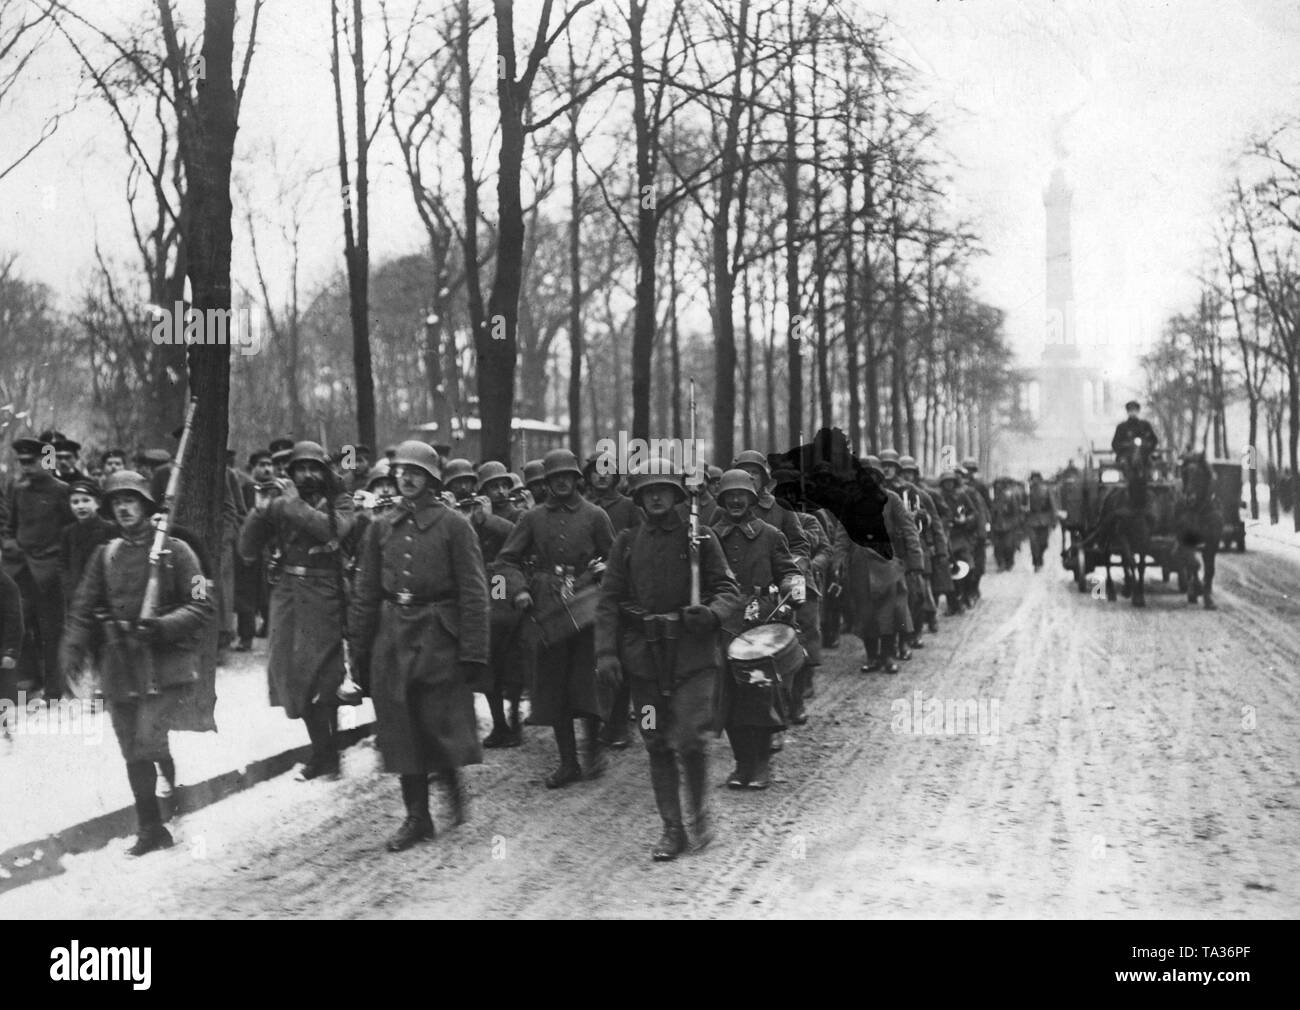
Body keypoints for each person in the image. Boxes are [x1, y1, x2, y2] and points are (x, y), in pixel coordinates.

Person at [59, 470, 212, 856]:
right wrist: (71, 651)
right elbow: (81, 607)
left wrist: (161, 626)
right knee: (131, 746)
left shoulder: (177, 551)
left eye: (130, 500)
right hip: (119, 663)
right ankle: (152, 826)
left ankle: (168, 797)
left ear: (145, 505)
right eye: (116, 502)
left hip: (162, 664)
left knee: (146, 738)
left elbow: (201, 604)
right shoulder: (105, 554)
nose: (123, 508)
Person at [595, 459, 739, 860]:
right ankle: (671, 829)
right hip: (643, 661)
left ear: (677, 495)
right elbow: (608, 602)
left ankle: (699, 814)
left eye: (663, 489)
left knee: (691, 739)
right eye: (647, 490)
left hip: (692, 658)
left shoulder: (701, 537)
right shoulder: (625, 543)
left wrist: (711, 613)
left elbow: (729, 589)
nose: (656, 496)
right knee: (656, 741)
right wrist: (606, 652)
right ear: (638, 497)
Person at [349, 440, 489, 852]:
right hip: (392, 635)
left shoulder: (455, 526)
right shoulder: (380, 527)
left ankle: (449, 778)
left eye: (416, 473)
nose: (407, 479)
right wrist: (358, 650)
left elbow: (475, 592)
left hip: (438, 634)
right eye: (401, 473)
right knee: (400, 726)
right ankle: (417, 817)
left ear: (431, 479)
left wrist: (474, 652)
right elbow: (365, 591)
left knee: (435, 722)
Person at [496, 448, 615, 788]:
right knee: (553, 685)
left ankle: (593, 748)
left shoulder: (595, 515)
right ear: (545, 483)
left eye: (568, 476)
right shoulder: (532, 518)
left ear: (578, 479)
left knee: (586, 678)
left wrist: (604, 570)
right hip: (547, 606)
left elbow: (616, 556)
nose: (562, 482)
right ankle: (568, 762)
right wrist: (518, 590)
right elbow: (505, 562)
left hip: (586, 601)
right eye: (554, 478)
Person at [238, 441, 354, 781]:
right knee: (290, 675)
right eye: (300, 468)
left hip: (326, 594)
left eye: (313, 467)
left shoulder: (340, 501)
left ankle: (326, 754)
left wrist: (288, 503)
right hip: (287, 596)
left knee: (325, 677)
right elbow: (246, 550)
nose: (307, 474)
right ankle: (324, 751)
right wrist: (259, 512)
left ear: (324, 471)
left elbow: (332, 530)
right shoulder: (280, 504)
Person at [710, 468, 801, 788]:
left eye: (742, 495)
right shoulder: (709, 536)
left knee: (760, 698)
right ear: (720, 499)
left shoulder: (770, 534)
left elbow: (789, 572)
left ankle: (761, 766)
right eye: (729, 495)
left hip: (760, 624)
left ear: (752, 498)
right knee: (729, 700)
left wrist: (791, 594)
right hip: (721, 626)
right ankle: (741, 765)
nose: (736, 500)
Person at [832, 455, 925, 673]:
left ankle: (888, 656)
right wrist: (838, 562)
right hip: (860, 565)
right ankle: (872, 656)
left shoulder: (892, 499)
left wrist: (915, 560)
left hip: (888, 562)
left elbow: (910, 530)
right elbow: (842, 536)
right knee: (865, 614)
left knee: (890, 612)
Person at [2, 436, 74, 698]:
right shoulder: (17, 489)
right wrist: (11, 546)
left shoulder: (62, 490)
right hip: (21, 572)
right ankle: (26, 684)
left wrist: (54, 558)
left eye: (30, 462)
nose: (25, 467)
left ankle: (54, 691)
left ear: (45, 461)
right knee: (18, 628)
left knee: (52, 632)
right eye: (21, 462)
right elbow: (9, 527)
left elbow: (69, 530)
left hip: (49, 574)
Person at [60, 479, 116, 605]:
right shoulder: (68, 532)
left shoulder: (110, 529)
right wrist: (69, 588)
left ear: (98, 503)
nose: (80, 506)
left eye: (86, 500)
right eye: (75, 502)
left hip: (103, 596)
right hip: (75, 595)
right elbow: (63, 564)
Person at [1026, 471, 1056, 572]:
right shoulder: (1028, 491)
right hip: (1032, 520)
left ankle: (1040, 557)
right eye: (1032, 479)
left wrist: (1054, 520)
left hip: (1044, 519)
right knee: (1034, 544)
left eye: (1036, 478)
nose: (1034, 481)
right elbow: (1024, 504)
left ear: (1039, 479)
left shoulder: (1046, 489)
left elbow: (1052, 505)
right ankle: (1036, 563)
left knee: (1044, 543)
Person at [1112, 400, 1159, 464]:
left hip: (1144, 454)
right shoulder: (1122, 427)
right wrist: (1125, 447)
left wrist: (1147, 448)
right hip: (1126, 455)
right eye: (1130, 411)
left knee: (1148, 463)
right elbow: (1115, 443)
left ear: (1138, 411)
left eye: (1135, 410)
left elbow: (1153, 440)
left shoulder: (1145, 425)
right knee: (1126, 465)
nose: (1133, 413)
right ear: (1127, 412)